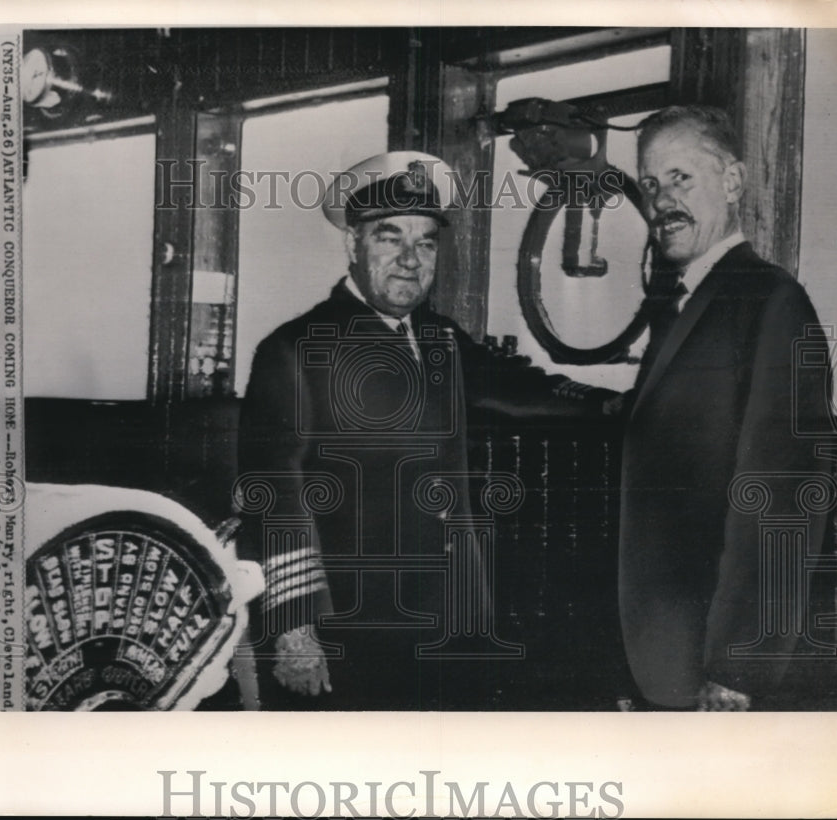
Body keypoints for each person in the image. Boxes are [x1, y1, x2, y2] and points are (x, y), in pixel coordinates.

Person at [237, 151, 615, 710]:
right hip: (346, 628)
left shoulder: (440, 336)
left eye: (427, 242)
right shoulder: (294, 348)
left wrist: (615, 403)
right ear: (353, 245)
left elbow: (517, 385)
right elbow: (275, 495)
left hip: (448, 614)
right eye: (391, 239)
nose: (411, 260)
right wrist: (295, 630)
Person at [618, 106, 833, 711]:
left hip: (712, 670)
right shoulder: (685, 302)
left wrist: (740, 669)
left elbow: (782, 498)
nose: (662, 201)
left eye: (680, 178)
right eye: (651, 184)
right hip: (660, 660)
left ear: (733, 183)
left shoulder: (772, 302)